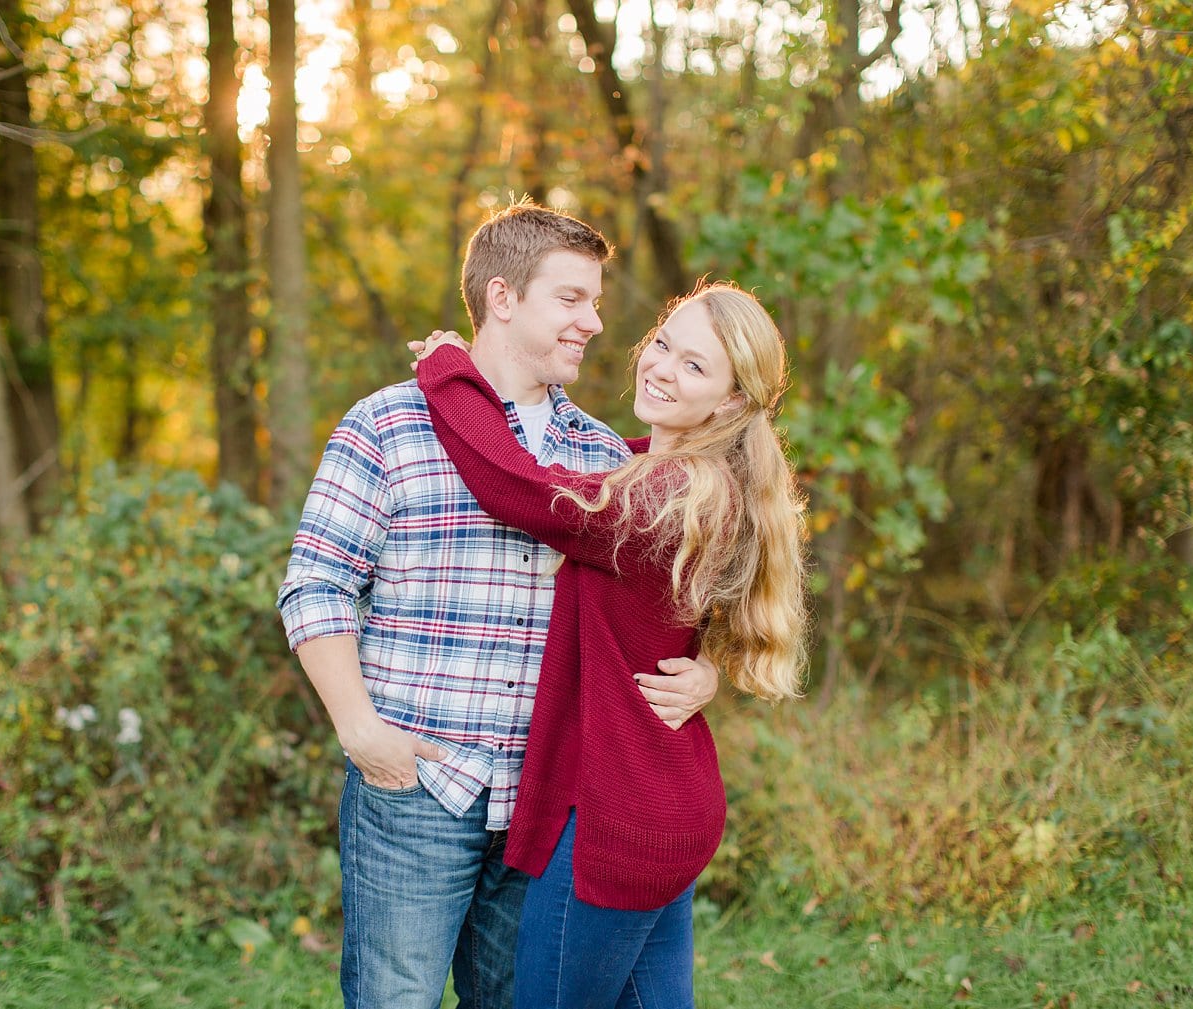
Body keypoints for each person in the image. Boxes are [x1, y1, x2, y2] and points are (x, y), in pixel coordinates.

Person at [275, 202, 721, 1009]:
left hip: (548, 802)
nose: (593, 321)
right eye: (571, 299)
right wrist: (361, 729)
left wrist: (710, 668)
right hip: (417, 783)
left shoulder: (603, 454)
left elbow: (691, 580)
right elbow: (316, 582)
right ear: (503, 297)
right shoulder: (387, 424)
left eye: (594, 299)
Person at [410, 280, 808, 1009]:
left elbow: (515, 484)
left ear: (727, 403)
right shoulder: (688, 482)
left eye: (695, 367)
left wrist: (446, 367)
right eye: (663, 344)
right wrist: (709, 667)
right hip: (662, 799)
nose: (660, 367)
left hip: (616, 816)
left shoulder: (656, 502)